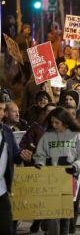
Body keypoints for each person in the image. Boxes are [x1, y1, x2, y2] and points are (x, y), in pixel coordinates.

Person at [34, 107, 80, 235]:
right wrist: (40, 164)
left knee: (65, 215)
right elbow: (40, 154)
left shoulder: (77, 136)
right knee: (52, 214)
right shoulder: (47, 136)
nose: (53, 125)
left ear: (64, 121)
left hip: (69, 179)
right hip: (51, 180)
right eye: (52, 122)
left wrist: (75, 166)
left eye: (56, 122)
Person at [0, 98, 33, 235]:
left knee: (6, 227)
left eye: (2, 109)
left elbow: (14, 154)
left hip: (2, 189)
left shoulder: (6, 132)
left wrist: (22, 155)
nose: (1, 113)